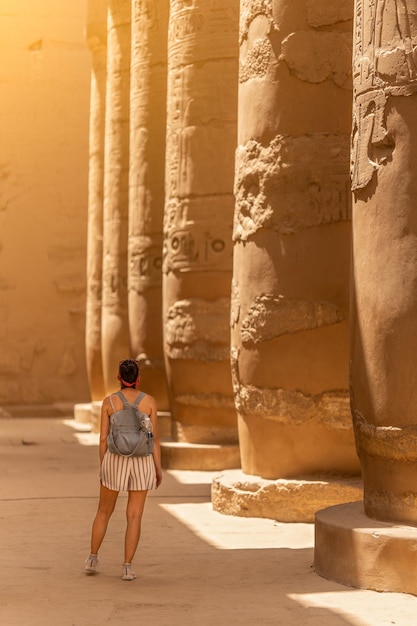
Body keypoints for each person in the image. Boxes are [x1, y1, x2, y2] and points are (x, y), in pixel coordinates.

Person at [85, 358, 163, 581]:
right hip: (142, 461)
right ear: (138, 378)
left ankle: (92, 558)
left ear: (119, 377)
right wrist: (157, 468)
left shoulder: (109, 402)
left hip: (114, 459)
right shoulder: (149, 402)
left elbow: (102, 438)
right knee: (135, 515)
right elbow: (154, 438)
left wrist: (104, 466)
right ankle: (127, 567)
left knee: (103, 511)